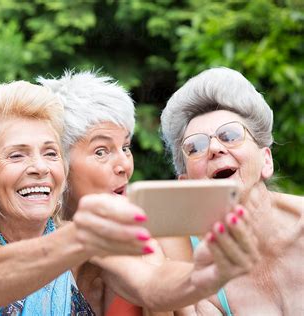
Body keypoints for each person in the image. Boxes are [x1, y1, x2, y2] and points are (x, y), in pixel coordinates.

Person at [38, 70, 260, 315]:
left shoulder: (148, 241)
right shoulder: (21, 241)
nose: (124, 165)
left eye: (125, 147)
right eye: (101, 151)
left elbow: (166, 290)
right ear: (57, 162)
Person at [0, 81, 153, 315]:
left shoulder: (87, 243)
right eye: (17, 155)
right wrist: (81, 237)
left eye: (50, 153)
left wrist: (193, 278)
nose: (40, 167)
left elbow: (154, 284)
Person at [160, 67, 304, 315]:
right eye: (195, 147)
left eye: (230, 135)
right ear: (186, 184)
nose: (215, 148)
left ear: (266, 160)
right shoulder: (188, 267)